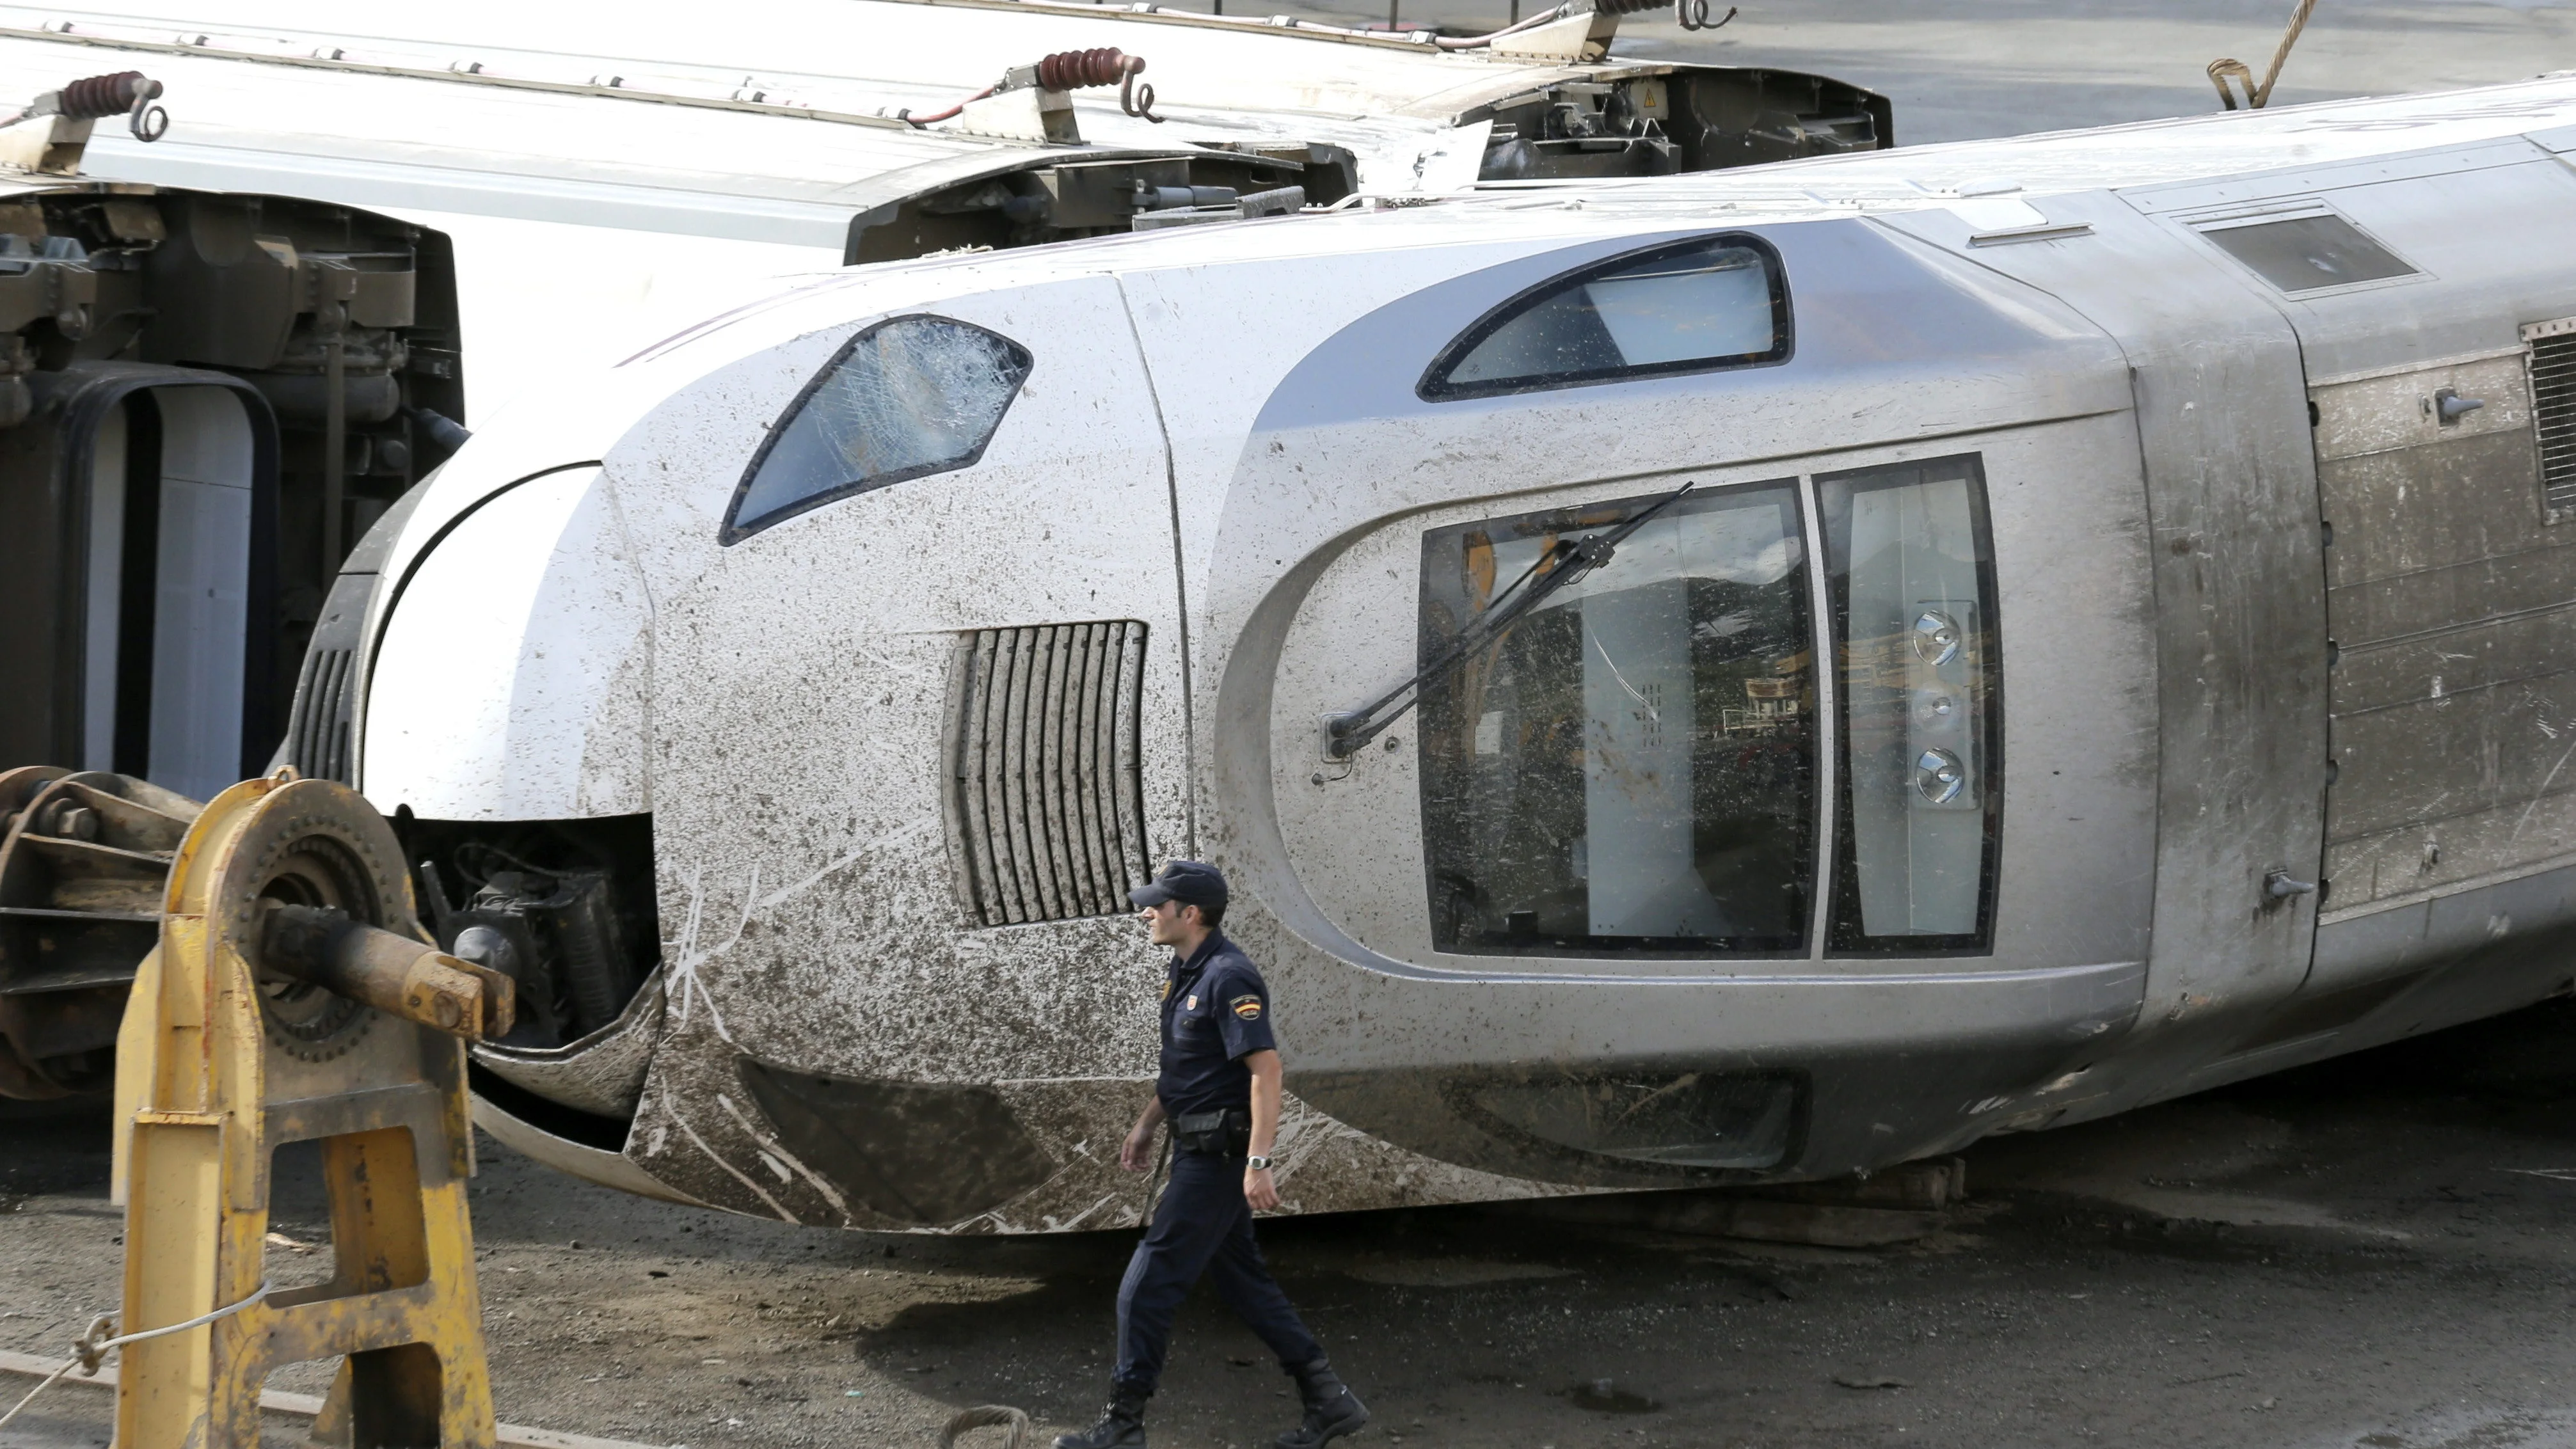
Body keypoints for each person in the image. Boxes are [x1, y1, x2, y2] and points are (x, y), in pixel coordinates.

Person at [1054, 860, 1370, 1449]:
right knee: (1244, 1283)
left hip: (1218, 1160)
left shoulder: (1229, 977)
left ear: (1189, 913)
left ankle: (1123, 1426)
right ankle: (1330, 1401)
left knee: (1145, 1287)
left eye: (1157, 903)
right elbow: (1188, 1065)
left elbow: (1266, 1070)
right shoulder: (1184, 971)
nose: (1146, 911)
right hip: (1195, 1145)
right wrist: (1148, 1122)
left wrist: (1257, 1160)